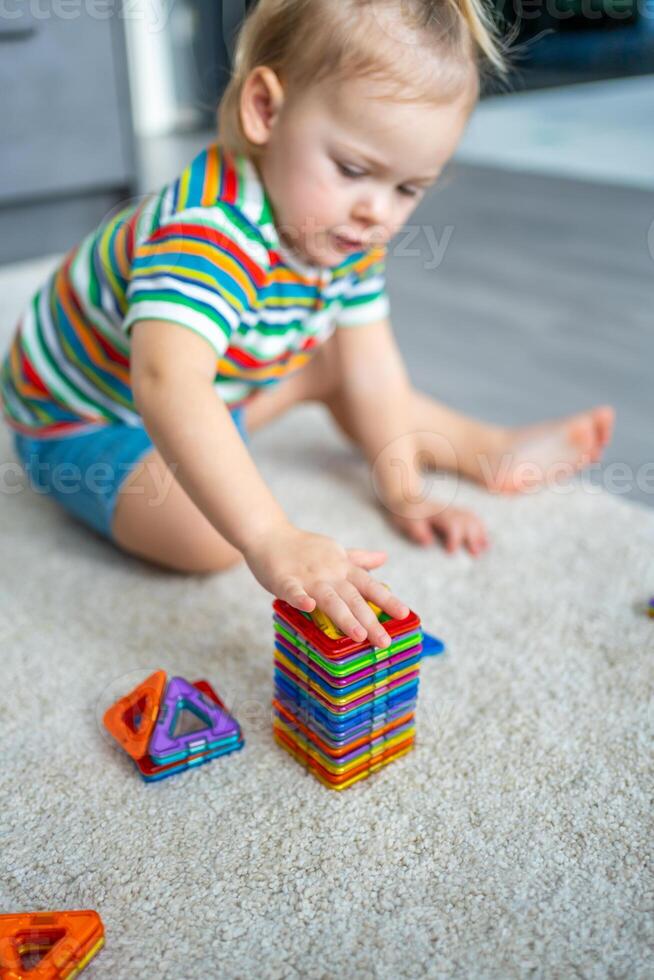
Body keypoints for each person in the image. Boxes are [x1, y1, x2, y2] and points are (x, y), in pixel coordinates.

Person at [0, 0, 614, 649]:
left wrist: (404, 492)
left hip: (224, 381)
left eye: (409, 189)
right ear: (266, 110)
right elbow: (167, 386)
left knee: (348, 367)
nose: (377, 211)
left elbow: (372, 368)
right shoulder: (207, 232)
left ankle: (477, 444)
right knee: (209, 540)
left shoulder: (343, 227)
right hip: (87, 421)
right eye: (352, 169)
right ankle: (297, 392)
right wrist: (272, 536)